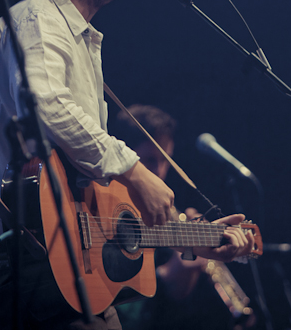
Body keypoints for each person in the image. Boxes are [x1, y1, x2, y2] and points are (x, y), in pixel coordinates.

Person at [0, 0, 254, 330]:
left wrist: (195, 239)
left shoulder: (80, 40)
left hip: (70, 272)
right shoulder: (37, 17)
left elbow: (96, 210)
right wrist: (135, 171)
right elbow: (44, 105)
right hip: (34, 265)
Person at [110, 105, 256, 330]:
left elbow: (174, 303)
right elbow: (119, 308)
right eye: (150, 160)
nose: (159, 171)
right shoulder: (107, 207)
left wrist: (190, 263)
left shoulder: (169, 213)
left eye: (166, 160)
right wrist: (167, 274)